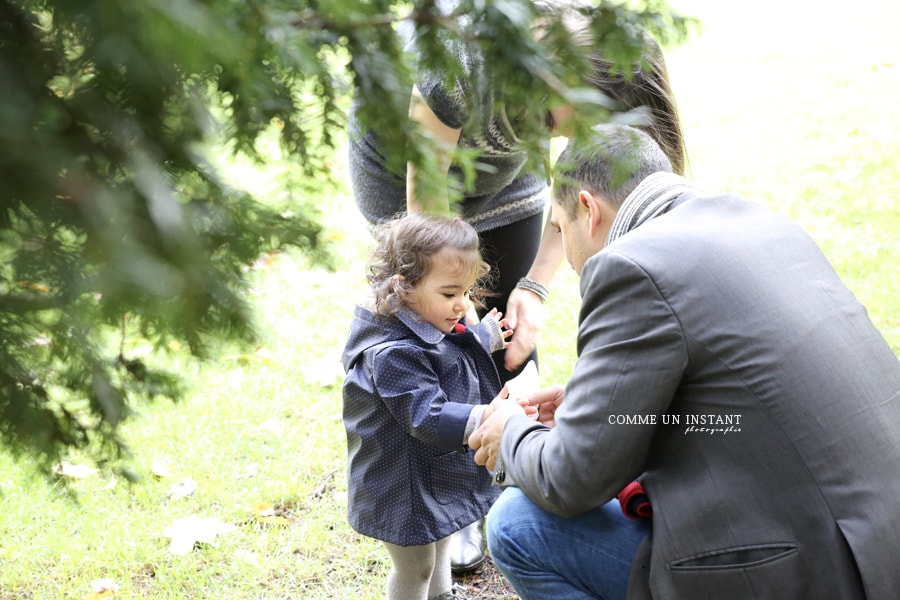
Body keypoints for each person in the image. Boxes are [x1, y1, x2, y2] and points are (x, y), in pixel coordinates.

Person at [468, 124, 900, 599]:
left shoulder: (631, 266)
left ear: (588, 210)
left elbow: (569, 482)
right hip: (877, 543)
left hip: (812, 572)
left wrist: (511, 429)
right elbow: (743, 403)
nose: (567, 257)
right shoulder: (762, 222)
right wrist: (597, 406)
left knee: (517, 525)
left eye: (559, 227)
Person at [348, 0, 687, 569]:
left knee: (507, 338)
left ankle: (511, 471)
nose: (567, 139)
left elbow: (574, 193)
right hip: (412, 182)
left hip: (508, 177)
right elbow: (426, 225)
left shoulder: (573, 57)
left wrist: (534, 285)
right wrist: (453, 317)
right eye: (567, 126)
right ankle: (446, 503)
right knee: (438, 348)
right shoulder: (457, 64)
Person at [341, 214, 519, 600]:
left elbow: (442, 350)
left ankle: (442, 596)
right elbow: (427, 413)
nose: (461, 306)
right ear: (404, 287)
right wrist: (484, 418)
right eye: (450, 294)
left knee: (442, 537)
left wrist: (480, 337)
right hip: (398, 480)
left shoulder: (416, 318)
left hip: (425, 469)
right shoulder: (391, 355)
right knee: (416, 564)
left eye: (466, 293)